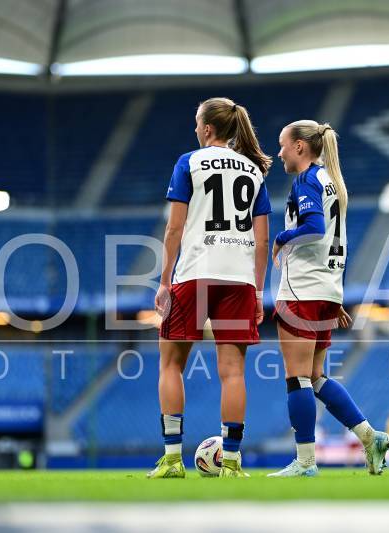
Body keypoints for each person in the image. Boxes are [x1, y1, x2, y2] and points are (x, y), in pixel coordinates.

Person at [148, 97, 272, 479]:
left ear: (206, 129)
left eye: (196, 123)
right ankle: (231, 462)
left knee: (171, 364)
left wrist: (164, 280)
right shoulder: (253, 170)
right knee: (233, 372)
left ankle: (172, 459)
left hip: (195, 273)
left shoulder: (189, 162)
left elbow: (174, 228)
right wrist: (257, 292)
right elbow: (263, 240)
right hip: (239, 278)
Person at [267, 120, 389, 477]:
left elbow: (314, 228)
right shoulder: (331, 181)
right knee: (315, 376)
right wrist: (332, 296)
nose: (280, 153)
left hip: (302, 289)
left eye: (283, 145)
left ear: (300, 147)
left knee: (297, 378)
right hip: (326, 289)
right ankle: (370, 437)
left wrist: (280, 238)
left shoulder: (306, 180)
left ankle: (306, 462)